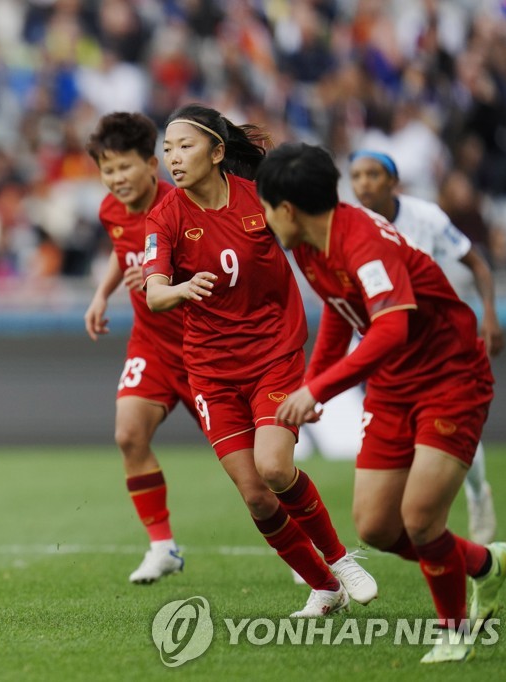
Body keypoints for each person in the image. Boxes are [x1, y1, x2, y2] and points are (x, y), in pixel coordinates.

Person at [255, 142, 506, 663]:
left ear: (286, 208)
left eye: (264, 207)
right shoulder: (309, 241)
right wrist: (314, 382)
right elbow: (337, 312)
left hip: (450, 375)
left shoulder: (362, 240)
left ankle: (455, 631)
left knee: (419, 519)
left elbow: (392, 327)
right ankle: (487, 564)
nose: (262, 218)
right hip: (394, 384)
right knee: (376, 527)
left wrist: (318, 389)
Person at [142, 103, 377, 617]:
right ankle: (324, 586)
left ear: (218, 151)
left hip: (274, 355)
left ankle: (341, 560)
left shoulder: (260, 200)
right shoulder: (165, 216)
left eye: (185, 146)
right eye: (167, 150)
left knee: (274, 466)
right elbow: (155, 294)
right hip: (210, 371)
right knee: (257, 498)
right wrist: (179, 288)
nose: (174, 159)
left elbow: (312, 242)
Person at [350, 149, 503, 544]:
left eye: (372, 174)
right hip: (383, 350)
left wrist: (489, 313)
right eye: (356, 175)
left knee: (447, 432)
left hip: (434, 349)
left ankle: (476, 493)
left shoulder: (426, 217)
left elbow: (478, 264)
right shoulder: (351, 223)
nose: (363, 183)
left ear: (392, 180)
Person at [83, 112, 201, 584]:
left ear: (152, 164)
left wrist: (163, 278)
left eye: (125, 168)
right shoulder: (112, 211)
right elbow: (123, 248)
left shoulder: (184, 206)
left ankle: (305, 547)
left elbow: (209, 270)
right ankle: (162, 546)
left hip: (202, 346)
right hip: (150, 343)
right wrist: (102, 292)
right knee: (129, 434)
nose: (117, 179)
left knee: (254, 469)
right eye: (107, 171)